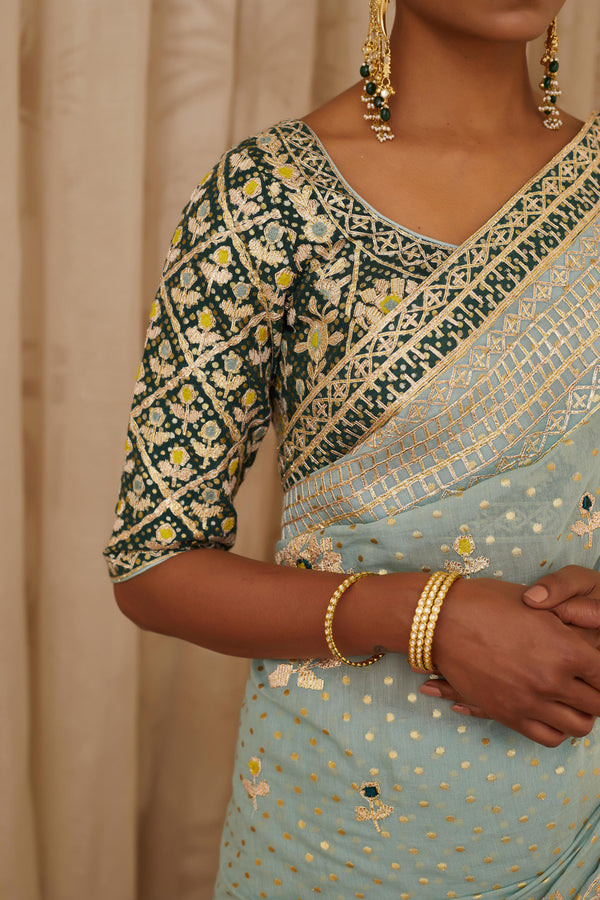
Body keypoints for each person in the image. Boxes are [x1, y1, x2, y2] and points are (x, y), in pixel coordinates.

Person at [103, 1, 600, 897]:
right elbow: (153, 566)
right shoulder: (268, 199)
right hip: (342, 840)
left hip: (580, 803)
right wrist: (428, 617)